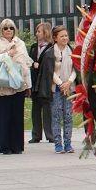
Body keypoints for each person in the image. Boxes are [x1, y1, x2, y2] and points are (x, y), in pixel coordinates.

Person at [0, 19, 32, 154]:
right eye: (5, 28)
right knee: (4, 116)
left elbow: (26, 64)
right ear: (1, 29)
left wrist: (28, 85)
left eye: (11, 28)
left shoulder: (21, 43)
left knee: (17, 116)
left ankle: (17, 146)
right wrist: (7, 54)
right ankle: (5, 146)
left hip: (18, 84)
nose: (8, 30)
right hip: (3, 84)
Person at [44, 25, 75, 153]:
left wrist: (69, 82)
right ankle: (58, 144)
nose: (65, 38)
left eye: (66, 35)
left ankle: (68, 143)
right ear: (55, 38)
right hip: (56, 88)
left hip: (69, 88)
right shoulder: (50, 53)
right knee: (56, 116)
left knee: (68, 116)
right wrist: (61, 83)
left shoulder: (71, 51)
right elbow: (50, 71)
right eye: (62, 36)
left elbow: (76, 69)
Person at [28, 22, 55, 144]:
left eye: (39, 31)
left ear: (46, 33)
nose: (37, 34)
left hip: (46, 81)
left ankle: (50, 134)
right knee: (35, 109)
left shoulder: (51, 47)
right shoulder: (34, 47)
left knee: (47, 108)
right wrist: (33, 64)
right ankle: (36, 134)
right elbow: (28, 61)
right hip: (35, 81)